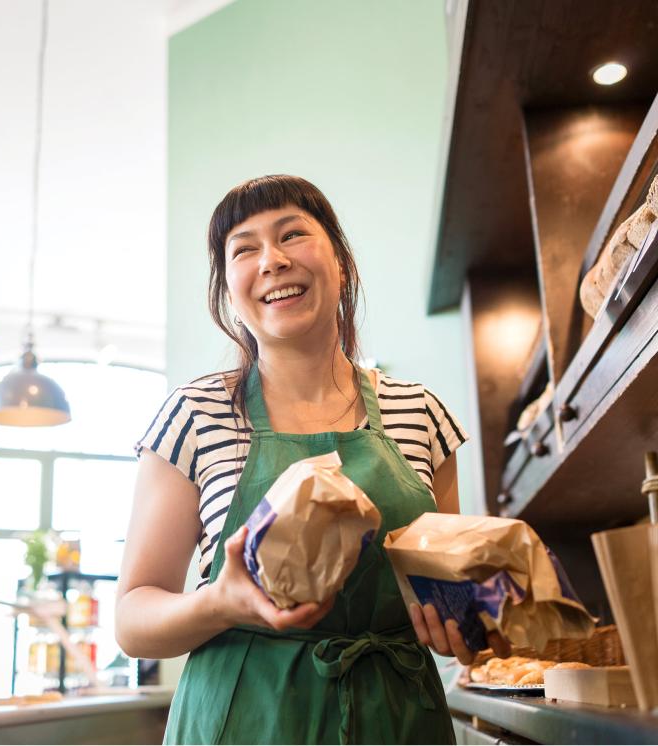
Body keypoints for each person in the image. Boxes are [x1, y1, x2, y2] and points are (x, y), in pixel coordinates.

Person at [115, 175, 510, 744]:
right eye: (244, 249)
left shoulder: (419, 412)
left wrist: (467, 620)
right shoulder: (194, 415)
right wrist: (220, 603)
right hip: (243, 722)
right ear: (230, 290)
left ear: (341, 263)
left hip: (398, 721)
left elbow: (447, 585)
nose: (272, 261)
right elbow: (133, 620)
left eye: (292, 235)